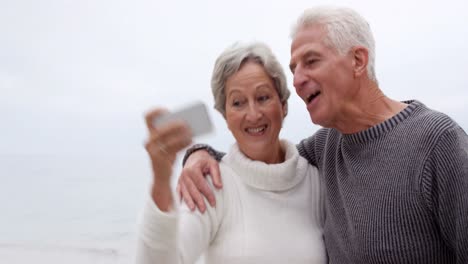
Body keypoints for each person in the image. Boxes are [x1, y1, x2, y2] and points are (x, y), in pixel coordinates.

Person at [177, 6, 468, 263]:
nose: (298, 80)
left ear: (357, 60)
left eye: (311, 61)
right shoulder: (325, 147)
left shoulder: (437, 143)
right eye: (294, 68)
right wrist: (199, 153)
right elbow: (264, 158)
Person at [136, 42, 327, 263]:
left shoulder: (316, 181)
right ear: (226, 116)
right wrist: (161, 179)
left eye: (263, 97)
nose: (253, 114)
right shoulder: (212, 185)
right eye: (238, 103)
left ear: (283, 105)